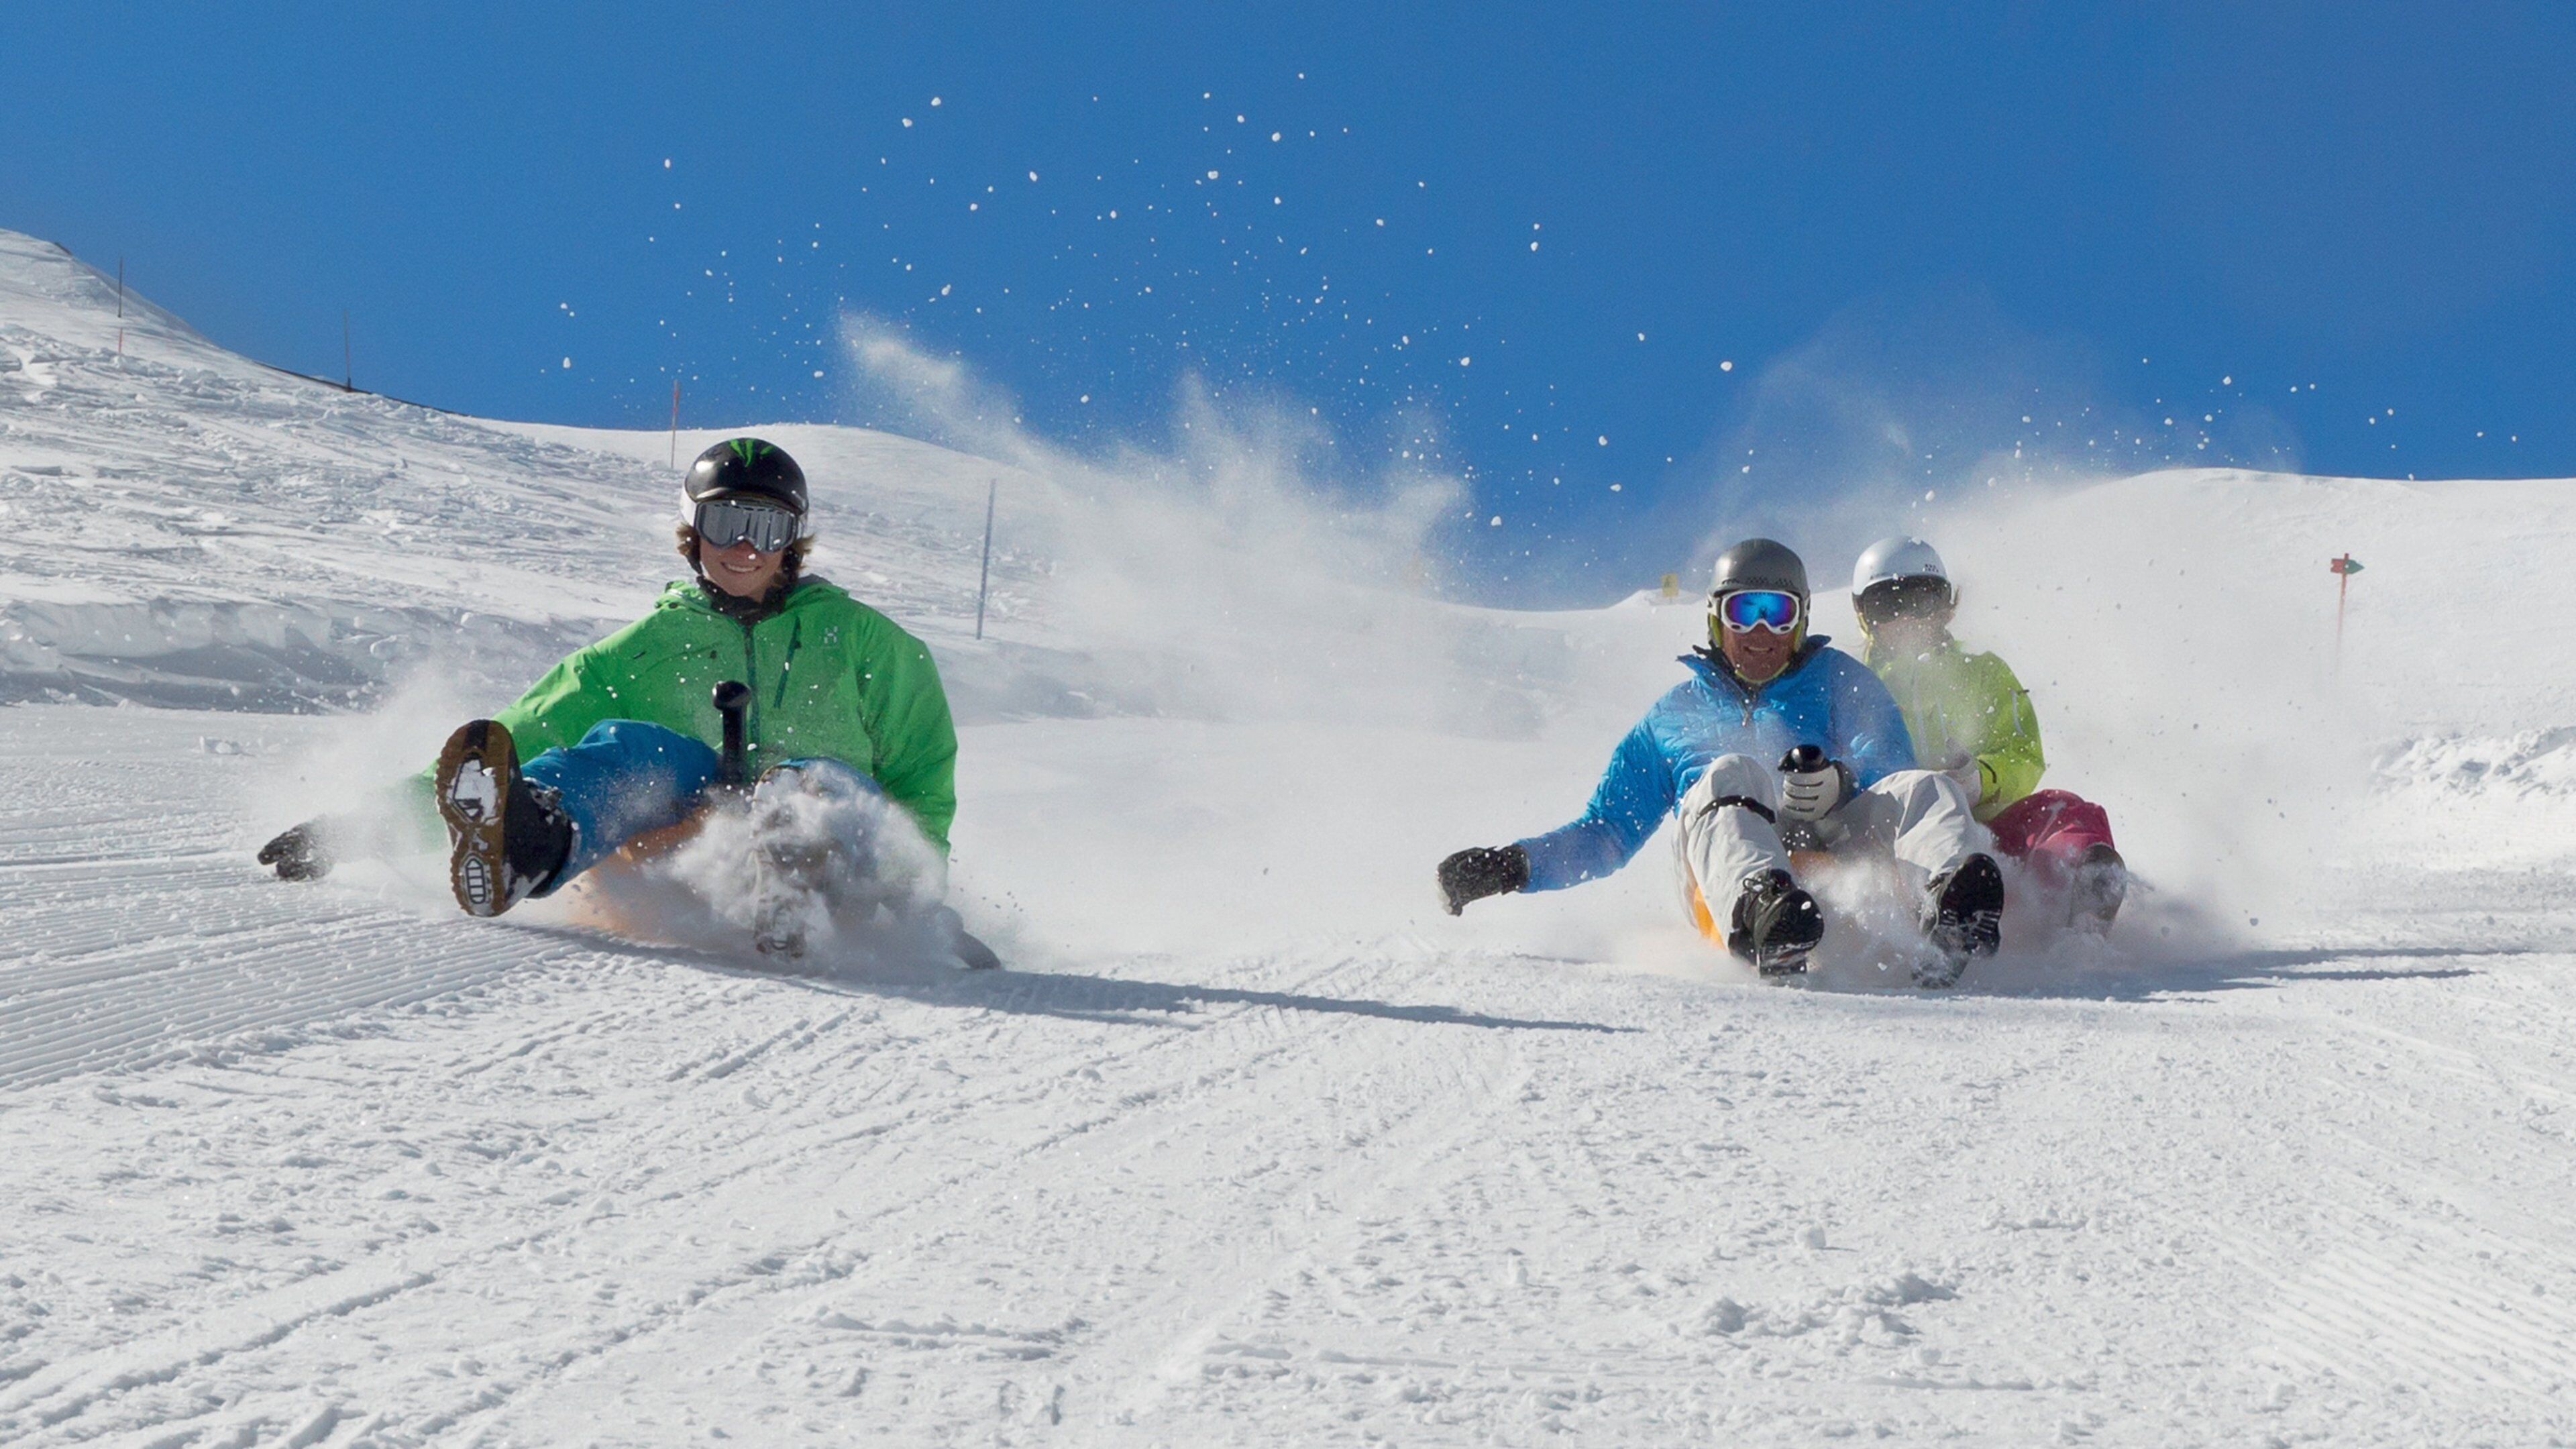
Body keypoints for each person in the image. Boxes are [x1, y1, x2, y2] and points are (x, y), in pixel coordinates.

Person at [259, 437, 991, 966]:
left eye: (766, 527)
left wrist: (917, 905)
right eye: (724, 523)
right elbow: (522, 732)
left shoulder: (868, 643)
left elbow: (922, 779)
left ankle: (793, 880)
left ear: (793, 540)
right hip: (696, 857)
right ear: (691, 533)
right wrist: (361, 830)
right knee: (633, 749)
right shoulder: (644, 648)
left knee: (811, 786)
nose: (744, 545)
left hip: (844, 868)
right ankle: (526, 847)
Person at [1436, 538, 2005, 985]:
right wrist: (1512, 866)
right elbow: (1607, 831)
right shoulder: (1673, 718)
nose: (1760, 631)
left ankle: (1952, 905)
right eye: (1743, 611)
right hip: (1723, 897)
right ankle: (1766, 911)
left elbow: (1891, 766)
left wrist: (1843, 779)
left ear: (1802, 619)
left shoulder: (1840, 681)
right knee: (1732, 772)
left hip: (1837, 867)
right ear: (1715, 617)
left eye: (1777, 612)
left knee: (1926, 785)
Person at [1849, 535, 2127, 930]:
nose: (1908, 617)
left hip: (1985, 836)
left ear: (1945, 607)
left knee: (2062, 807)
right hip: (1898, 844)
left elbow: (2021, 752)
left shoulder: (1982, 672)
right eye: (1887, 604)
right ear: (1864, 615)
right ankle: (1940, 909)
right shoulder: (1853, 682)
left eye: (1922, 599)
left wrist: (1980, 778)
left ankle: (2079, 898)